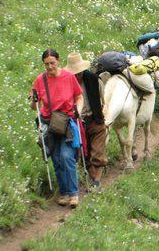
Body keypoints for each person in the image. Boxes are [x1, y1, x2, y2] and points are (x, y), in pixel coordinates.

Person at [31, 49, 83, 207]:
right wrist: (33, 100)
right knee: (57, 159)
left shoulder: (69, 77)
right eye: (46, 64)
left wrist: (78, 110)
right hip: (48, 123)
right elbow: (35, 106)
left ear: (58, 61)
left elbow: (79, 96)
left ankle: (74, 194)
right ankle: (64, 193)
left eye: (52, 63)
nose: (50, 67)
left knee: (67, 156)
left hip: (66, 121)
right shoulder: (40, 80)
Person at [64, 52, 107, 191]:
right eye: (75, 73)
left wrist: (101, 114)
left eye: (79, 72)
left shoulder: (94, 79)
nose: (77, 75)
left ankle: (97, 180)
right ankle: (93, 177)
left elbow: (102, 99)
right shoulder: (66, 83)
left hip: (95, 118)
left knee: (98, 151)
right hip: (77, 123)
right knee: (84, 153)